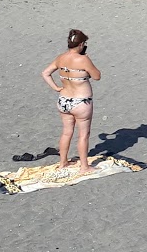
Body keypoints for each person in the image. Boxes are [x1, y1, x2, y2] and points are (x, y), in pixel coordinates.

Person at [40, 29, 101, 174]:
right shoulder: (83, 60)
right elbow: (97, 76)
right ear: (80, 44)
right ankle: (84, 167)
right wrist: (88, 60)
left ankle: (63, 162)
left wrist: (56, 87)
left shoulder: (61, 58)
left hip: (64, 100)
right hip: (81, 102)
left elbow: (45, 73)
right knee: (83, 135)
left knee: (67, 132)